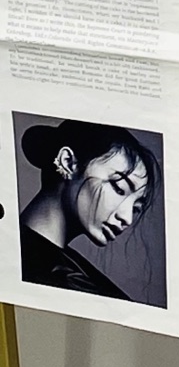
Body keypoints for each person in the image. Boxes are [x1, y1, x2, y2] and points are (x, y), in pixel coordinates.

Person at [18, 118, 157, 299]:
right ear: (68, 163)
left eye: (136, 208)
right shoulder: (60, 278)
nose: (127, 218)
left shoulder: (68, 271)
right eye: (119, 188)